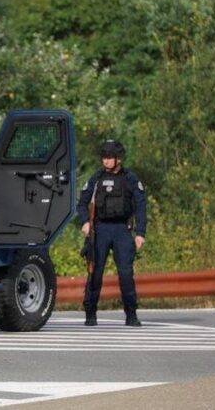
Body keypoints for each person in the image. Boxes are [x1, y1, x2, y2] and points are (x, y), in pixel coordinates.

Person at [77, 140, 147, 327]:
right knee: (95, 272)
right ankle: (90, 313)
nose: (106, 161)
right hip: (100, 230)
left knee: (125, 273)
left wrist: (140, 232)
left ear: (118, 159)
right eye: (104, 157)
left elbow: (141, 205)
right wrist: (85, 222)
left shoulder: (130, 178)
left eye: (109, 157)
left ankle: (131, 315)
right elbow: (82, 202)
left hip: (122, 230)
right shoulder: (96, 178)